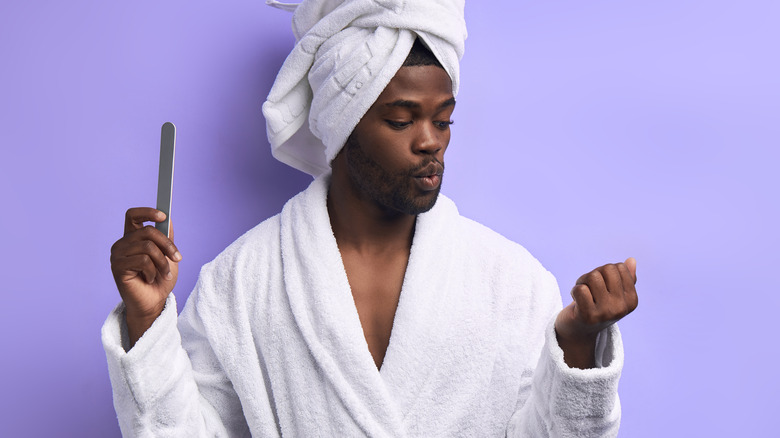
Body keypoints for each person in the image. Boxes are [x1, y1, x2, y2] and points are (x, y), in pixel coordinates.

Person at [104, 1, 638, 436]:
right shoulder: (243, 284)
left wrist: (577, 343)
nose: (430, 141)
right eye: (401, 119)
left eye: (444, 119)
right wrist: (147, 320)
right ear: (343, 126)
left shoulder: (512, 283)